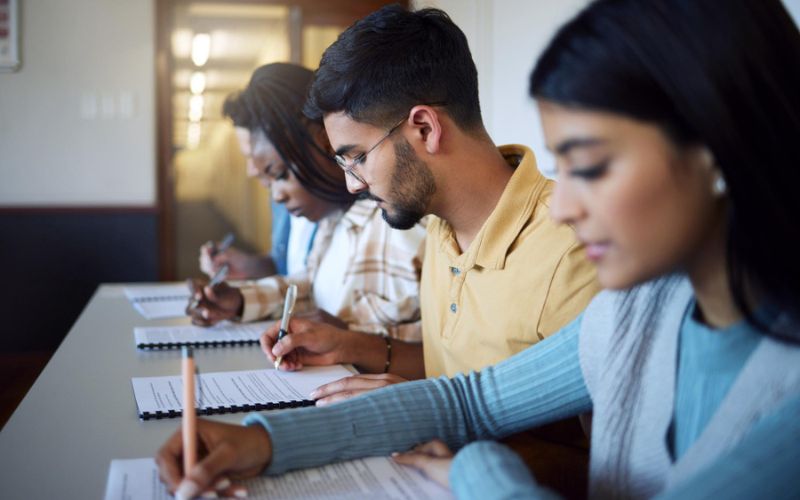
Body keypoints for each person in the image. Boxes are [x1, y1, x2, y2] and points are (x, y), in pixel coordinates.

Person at [156, 0, 800, 498]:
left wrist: (477, 468)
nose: (567, 206)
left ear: (716, 150)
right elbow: (471, 398)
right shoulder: (640, 310)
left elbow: (495, 435)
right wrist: (259, 443)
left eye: (592, 165)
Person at [258, 4, 598, 404]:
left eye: (359, 158)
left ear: (425, 128)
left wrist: (430, 417)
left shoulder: (573, 254)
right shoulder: (439, 226)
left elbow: (603, 460)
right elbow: (455, 372)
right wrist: (351, 347)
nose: (352, 185)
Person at [187, 63, 426, 343]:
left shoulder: (398, 221)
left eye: (279, 175)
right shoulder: (331, 219)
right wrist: (240, 300)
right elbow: (310, 285)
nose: (275, 194)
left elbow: (435, 339)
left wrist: (350, 338)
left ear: (323, 143)